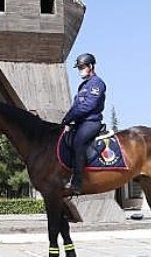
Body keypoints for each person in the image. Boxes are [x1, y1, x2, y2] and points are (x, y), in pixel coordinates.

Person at [61, 52, 106, 195]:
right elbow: (76, 106)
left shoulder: (97, 83)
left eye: (82, 67)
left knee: (78, 142)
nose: (80, 70)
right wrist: (66, 120)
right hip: (80, 122)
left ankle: (78, 182)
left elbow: (88, 106)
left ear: (90, 66)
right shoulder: (82, 86)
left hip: (91, 122)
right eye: (79, 67)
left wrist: (70, 118)